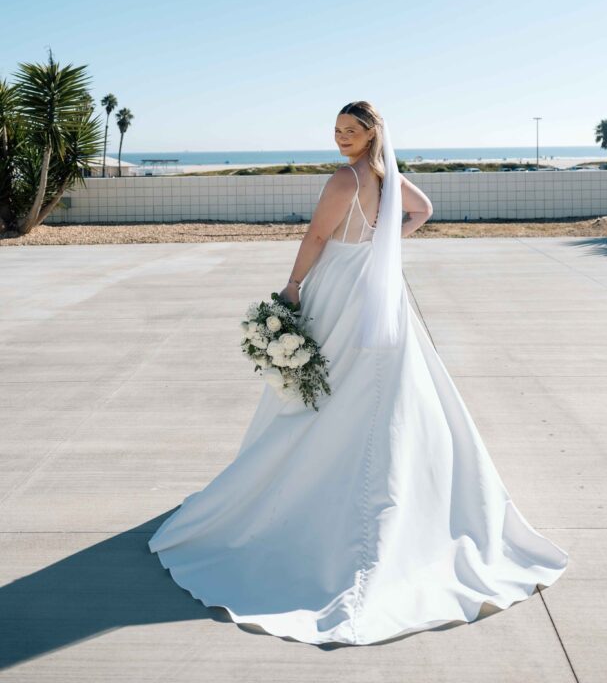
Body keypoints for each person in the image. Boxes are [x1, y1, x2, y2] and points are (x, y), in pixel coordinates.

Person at [148, 100, 568, 646]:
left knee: (322, 392)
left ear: (372, 134)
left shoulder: (344, 181)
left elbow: (316, 240)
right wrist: (383, 245)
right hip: (377, 292)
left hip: (339, 290)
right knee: (375, 392)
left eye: (351, 131)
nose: (341, 138)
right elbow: (423, 210)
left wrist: (293, 287)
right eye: (337, 130)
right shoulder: (388, 178)